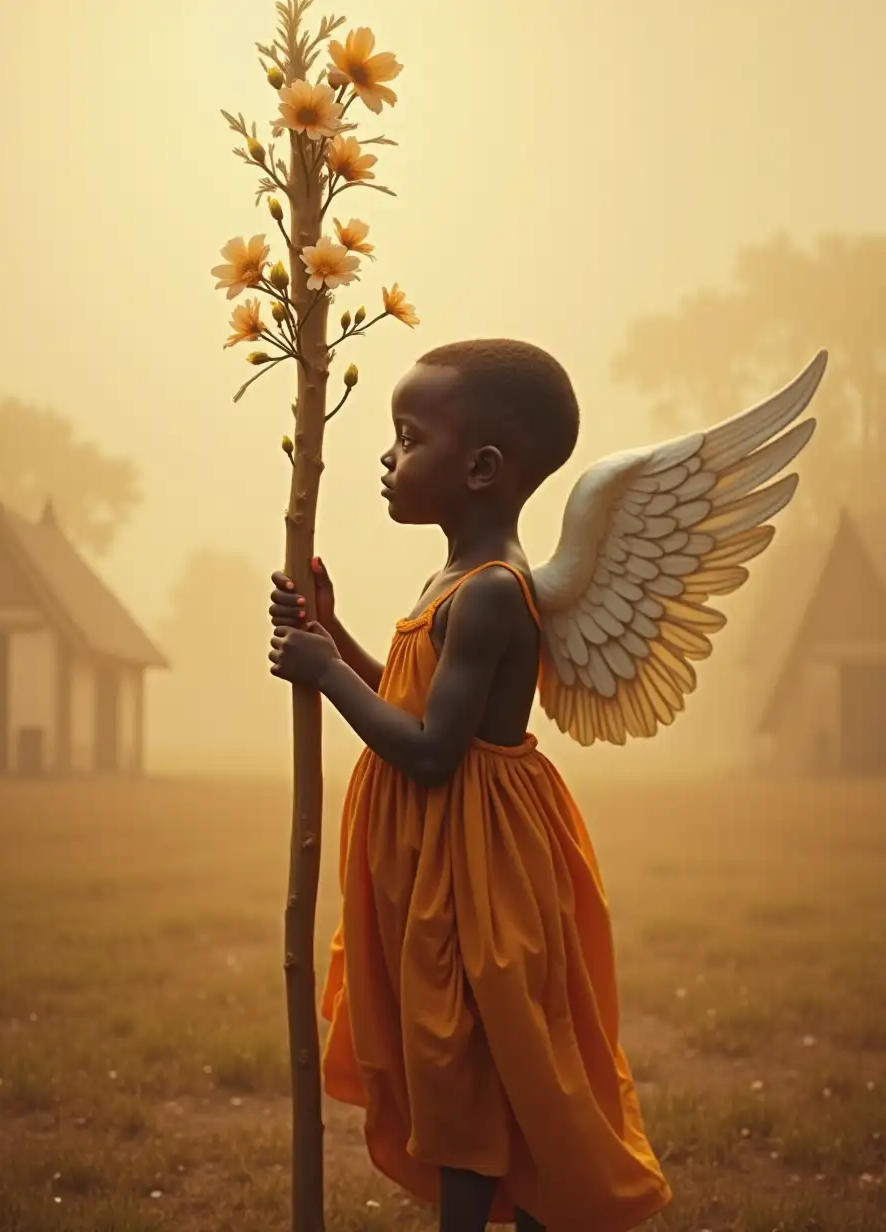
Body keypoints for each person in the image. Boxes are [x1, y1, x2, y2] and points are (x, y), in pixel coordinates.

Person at [268, 339, 672, 1232]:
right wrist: (331, 637)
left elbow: (429, 751)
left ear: (484, 468)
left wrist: (325, 672)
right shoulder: (450, 577)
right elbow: (410, 702)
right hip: (441, 862)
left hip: (478, 875)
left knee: (471, 1059)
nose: (387, 457)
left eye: (409, 438)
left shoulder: (491, 591)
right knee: (453, 1054)